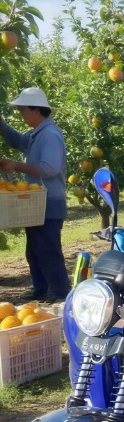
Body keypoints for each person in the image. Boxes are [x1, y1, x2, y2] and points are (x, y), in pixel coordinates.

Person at [0, 87, 69, 301]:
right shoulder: (36, 133)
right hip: (36, 203)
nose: (21, 115)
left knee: (48, 250)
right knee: (35, 251)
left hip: (50, 203)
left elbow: (50, 168)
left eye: (23, 111)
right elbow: (17, 140)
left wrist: (16, 166)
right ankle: (41, 289)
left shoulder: (49, 135)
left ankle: (60, 292)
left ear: (36, 111)